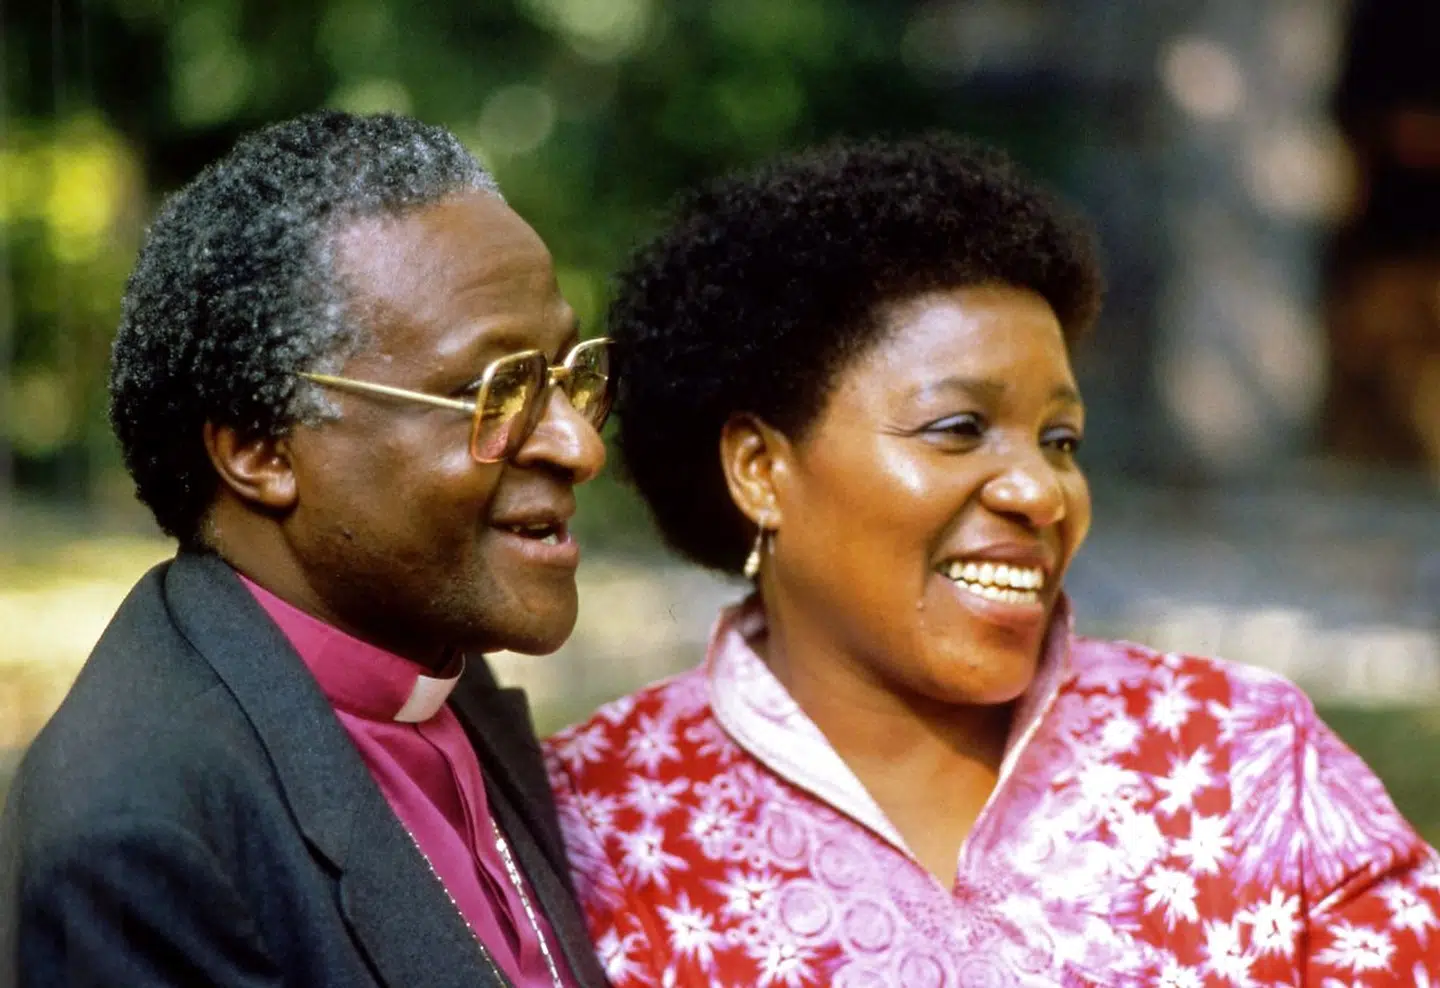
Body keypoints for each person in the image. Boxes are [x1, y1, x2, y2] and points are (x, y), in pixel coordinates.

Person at [543, 136, 1440, 986]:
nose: (1041, 493)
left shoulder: (1244, 762)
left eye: (1060, 439)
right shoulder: (595, 824)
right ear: (760, 469)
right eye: (959, 428)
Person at [0, 111, 612, 988]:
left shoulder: (426, 649)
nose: (579, 446)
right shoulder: (136, 845)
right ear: (260, 450)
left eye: (565, 375)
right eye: (496, 391)